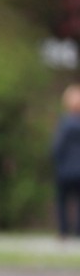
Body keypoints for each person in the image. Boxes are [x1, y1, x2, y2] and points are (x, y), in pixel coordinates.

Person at [51, 83, 80, 239]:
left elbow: (57, 146)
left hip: (65, 170)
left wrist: (56, 160)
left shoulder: (65, 123)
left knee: (63, 201)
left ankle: (63, 232)